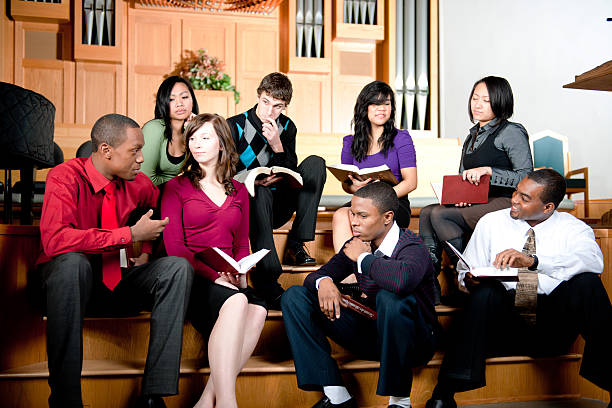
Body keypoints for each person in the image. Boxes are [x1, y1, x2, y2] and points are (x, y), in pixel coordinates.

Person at [36, 113, 194, 408]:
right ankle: (65, 400)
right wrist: (128, 234)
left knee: (177, 268)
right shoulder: (64, 176)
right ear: (106, 150)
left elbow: (157, 206)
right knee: (73, 264)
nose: (140, 159)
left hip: (115, 282)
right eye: (134, 151)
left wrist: (145, 246)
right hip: (66, 288)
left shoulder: (138, 182)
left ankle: (154, 394)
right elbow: (56, 240)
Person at [425, 169, 612, 408]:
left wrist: (534, 262)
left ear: (548, 207)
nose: (514, 200)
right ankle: (444, 393)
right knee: (485, 291)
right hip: (503, 325)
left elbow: (593, 262)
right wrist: (468, 280)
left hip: (552, 325)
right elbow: (465, 269)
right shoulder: (491, 222)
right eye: (516, 192)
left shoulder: (573, 228)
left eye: (525, 198)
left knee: (588, 284)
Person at [282, 182, 437, 408]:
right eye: (352, 214)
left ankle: (400, 401)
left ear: (387, 217)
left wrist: (363, 259)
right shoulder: (358, 243)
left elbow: (400, 281)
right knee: (295, 296)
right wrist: (324, 282)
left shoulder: (413, 247)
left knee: (391, 298)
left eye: (363, 216)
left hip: (414, 343)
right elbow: (315, 277)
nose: (353, 221)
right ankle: (337, 396)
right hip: (373, 334)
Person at [161, 114, 268, 408]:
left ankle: (207, 400)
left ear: (221, 143)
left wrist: (241, 271)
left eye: (205, 137)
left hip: (229, 279)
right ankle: (227, 403)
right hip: (194, 278)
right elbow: (175, 249)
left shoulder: (239, 191)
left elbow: (240, 244)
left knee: (258, 310)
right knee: (238, 302)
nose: (196, 144)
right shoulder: (175, 188)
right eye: (192, 138)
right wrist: (215, 276)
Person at [418, 76, 533, 304]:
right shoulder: (472, 136)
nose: (477, 104)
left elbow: (526, 178)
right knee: (427, 211)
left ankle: (467, 274)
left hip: (506, 201)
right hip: (479, 202)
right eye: (475, 98)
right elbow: (464, 177)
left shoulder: (511, 132)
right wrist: (461, 196)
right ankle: (430, 281)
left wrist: (490, 171)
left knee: (441, 214)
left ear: (500, 102)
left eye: (486, 100)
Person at [226, 72, 327, 309]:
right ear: (258, 97)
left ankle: (297, 242)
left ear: (285, 107)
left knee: (315, 163)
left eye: (278, 107)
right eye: (266, 103)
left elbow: (292, 171)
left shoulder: (288, 127)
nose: (270, 112)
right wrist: (251, 180)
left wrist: (277, 145)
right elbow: (224, 173)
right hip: (250, 204)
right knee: (259, 192)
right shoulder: (235, 125)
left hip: (279, 203)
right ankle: (268, 276)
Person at [332, 80, 417, 252]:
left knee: (366, 217)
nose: (382, 108)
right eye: (376, 104)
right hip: (361, 200)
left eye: (386, 103)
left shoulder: (401, 138)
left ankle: (366, 268)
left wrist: (380, 197)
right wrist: (353, 186)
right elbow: (346, 182)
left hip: (394, 203)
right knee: (340, 215)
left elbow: (411, 182)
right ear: (365, 108)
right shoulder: (350, 142)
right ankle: (348, 274)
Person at [141, 75, 199, 187]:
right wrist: (184, 182)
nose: (179, 104)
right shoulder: (154, 128)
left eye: (185, 97)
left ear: (193, 100)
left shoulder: (196, 130)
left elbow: (206, 173)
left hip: (185, 198)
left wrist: (193, 132)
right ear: (163, 103)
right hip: (152, 199)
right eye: (171, 99)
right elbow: (144, 180)